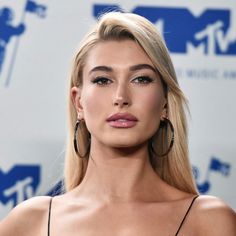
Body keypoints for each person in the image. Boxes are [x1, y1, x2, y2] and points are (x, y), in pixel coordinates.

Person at [0, 11, 235, 236]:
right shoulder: (32, 223)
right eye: (103, 80)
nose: (121, 97)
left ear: (164, 103)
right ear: (78, 102)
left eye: (141, 79)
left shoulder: (209, 221)